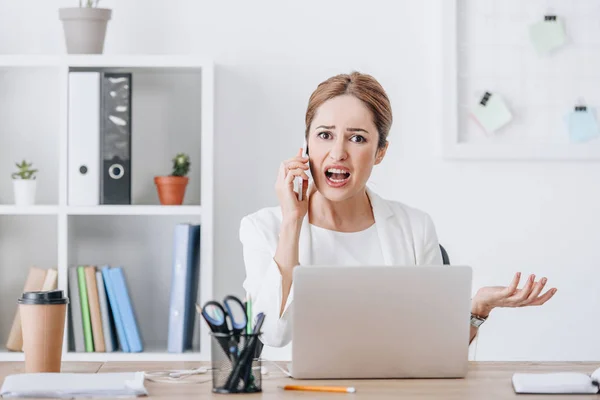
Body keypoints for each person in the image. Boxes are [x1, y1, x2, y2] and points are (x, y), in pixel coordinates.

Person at [239, 71, 557, 348]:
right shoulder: (263, 228)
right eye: (324, 135)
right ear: (306, 145)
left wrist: (477, 309)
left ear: (380, 152)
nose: (337, 152)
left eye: (357, 138)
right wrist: (293, 222)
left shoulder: (415, 228)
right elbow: (272, 335)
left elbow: (436, 348)